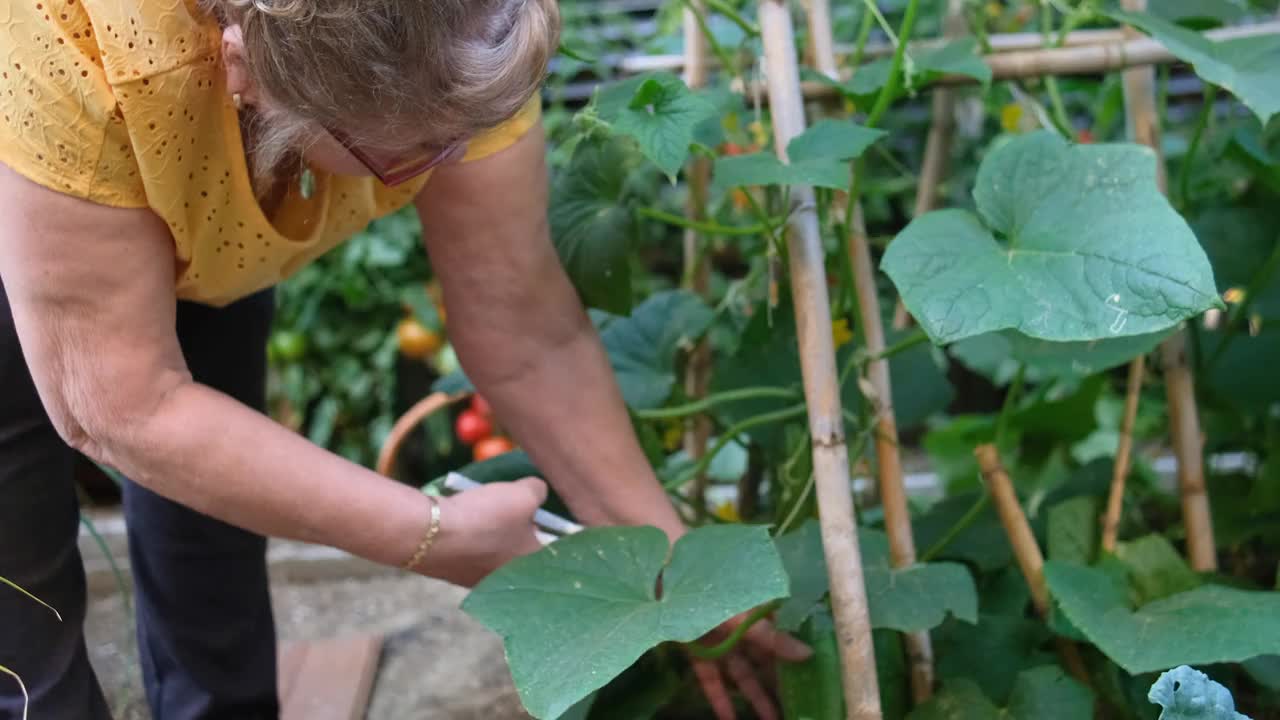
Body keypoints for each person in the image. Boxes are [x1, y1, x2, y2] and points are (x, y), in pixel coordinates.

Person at [0, 0, 811, 718]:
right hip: (32, 154)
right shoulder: (79, 57)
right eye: (417, 153)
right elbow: (121, 404)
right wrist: (431, 534)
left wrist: (674, 570)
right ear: (248, 73)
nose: (463, 167)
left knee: (214, 522)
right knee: (23, 609)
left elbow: (526, 328)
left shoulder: (460, 33)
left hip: (204, 200)